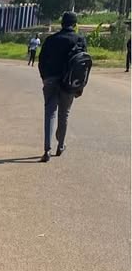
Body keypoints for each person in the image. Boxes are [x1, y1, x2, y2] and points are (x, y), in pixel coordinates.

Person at [37, 12, 87, 162]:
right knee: (64, 114)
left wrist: (45, 78)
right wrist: (80, 86)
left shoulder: (51, 40)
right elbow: (83, 64)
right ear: (75, 24)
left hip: (51, 80)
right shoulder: (79, 40)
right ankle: (60, 145)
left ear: (62, 23)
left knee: (49, 113)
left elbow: (41, 61)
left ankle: (47, 150)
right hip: (69, 83)